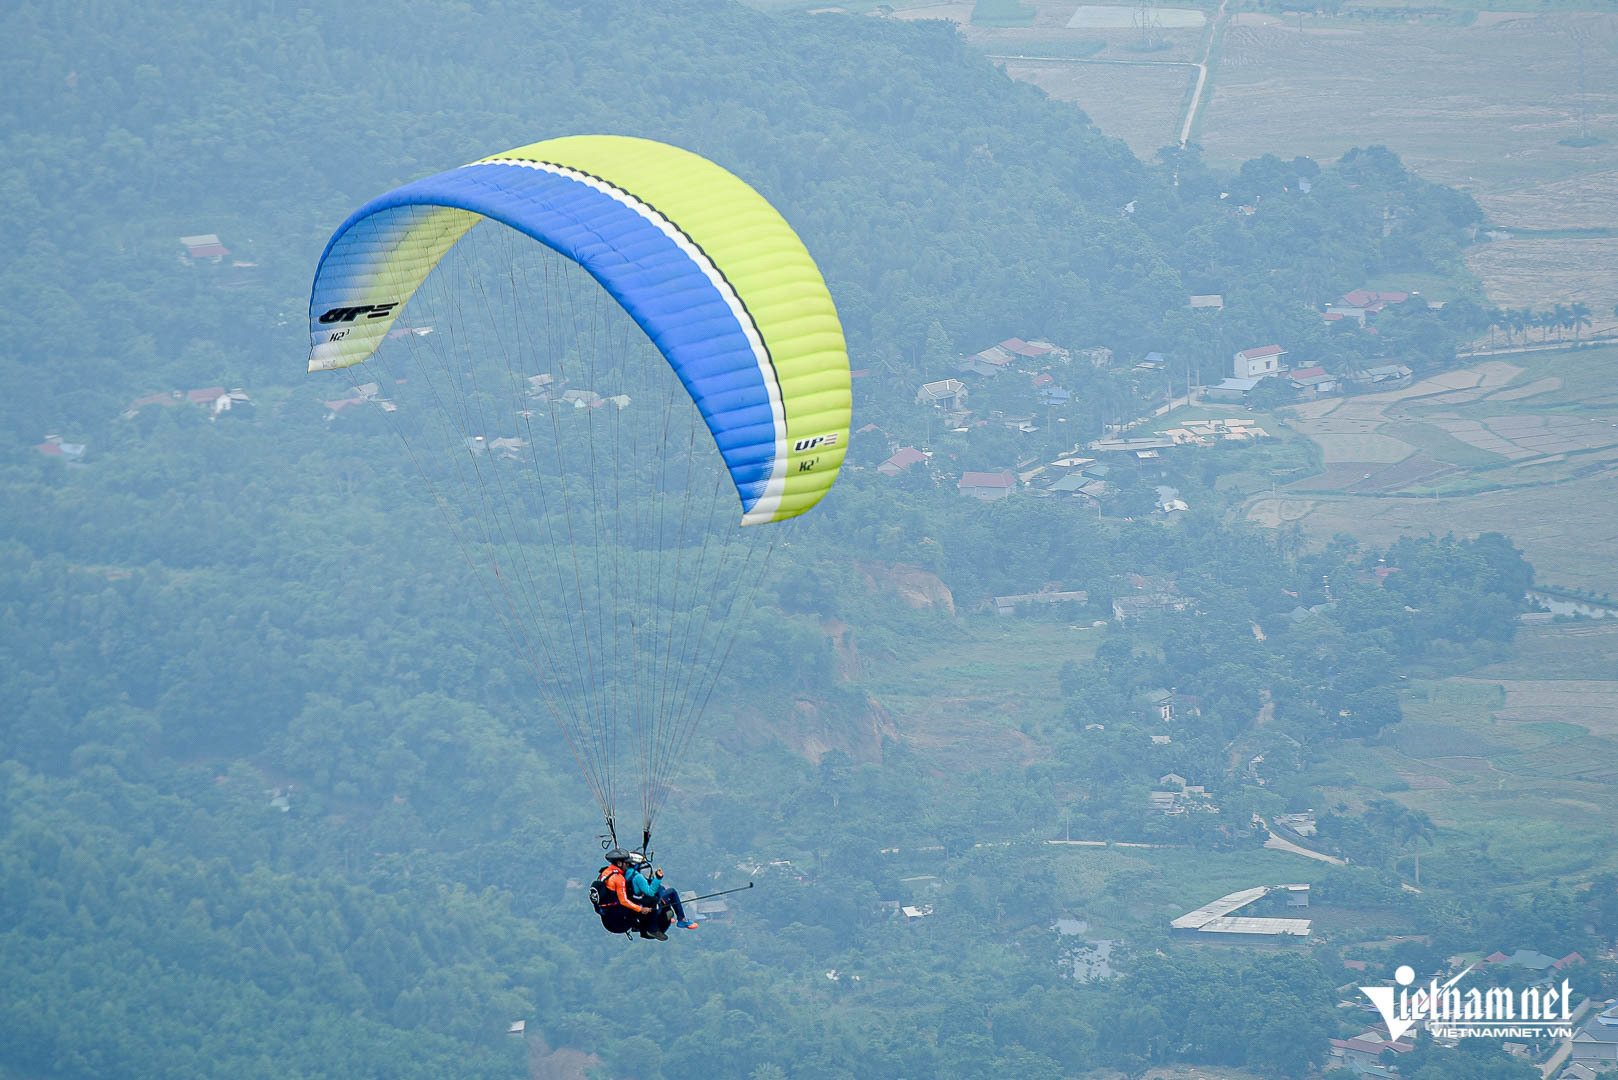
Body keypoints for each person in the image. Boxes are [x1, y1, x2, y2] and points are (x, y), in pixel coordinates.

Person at [626, 854, 697, 931]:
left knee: (661, 888)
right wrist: (658, 878)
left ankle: (668, 911)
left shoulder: (628, 873)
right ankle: (681, 919)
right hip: (648, 905)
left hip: (638, 903)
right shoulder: (637, 877)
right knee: (672, 892)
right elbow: (650, 892)